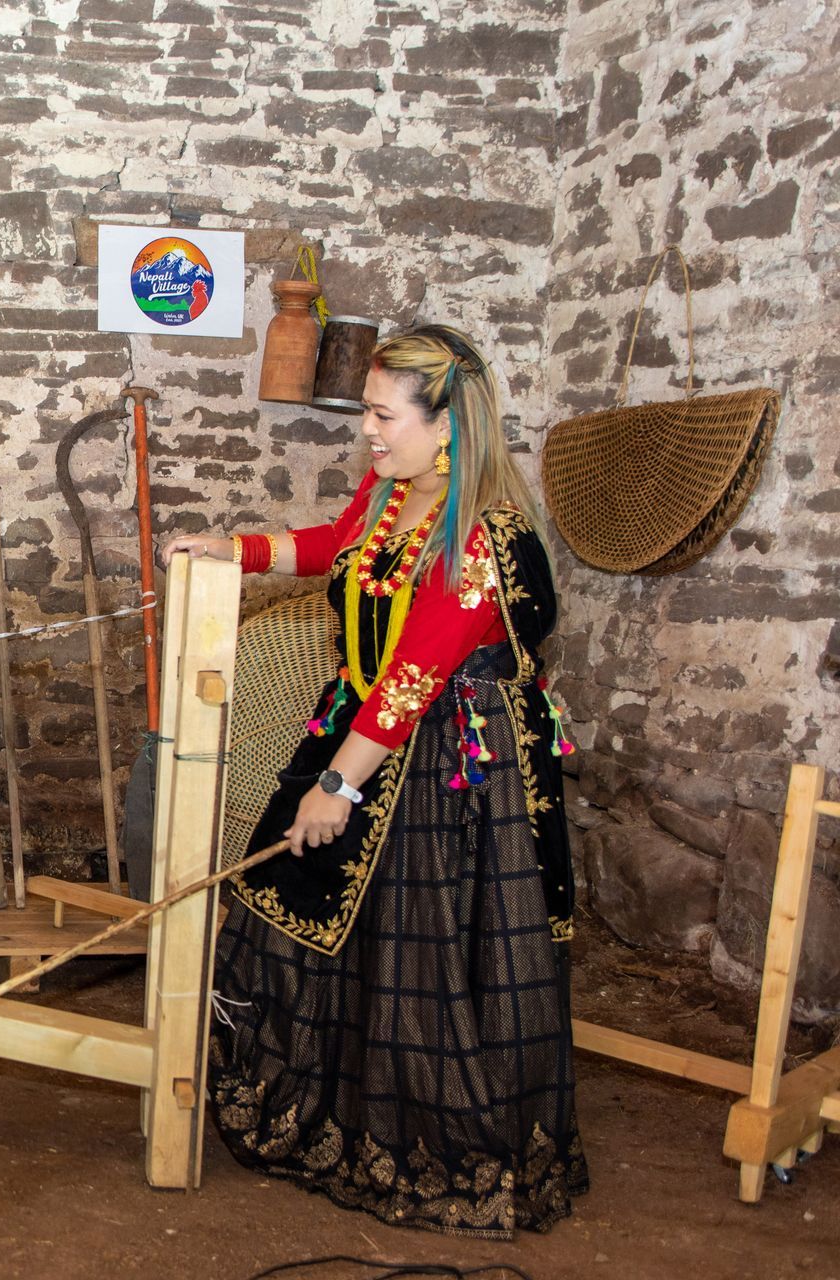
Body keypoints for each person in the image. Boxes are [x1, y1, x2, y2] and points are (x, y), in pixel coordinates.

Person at [163, 324, 586, 1237]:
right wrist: (235, 549)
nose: (367, 430)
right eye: (367, 411)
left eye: (383, 415)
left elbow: (415, 676)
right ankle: (339, 1104)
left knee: (418, 949)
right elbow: (337, 545)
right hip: (367, 725)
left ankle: (427, 1133)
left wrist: (339, 788)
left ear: (447, 427)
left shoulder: (484, 536)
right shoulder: (393, 492)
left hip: (448, 765)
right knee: (318, 907)